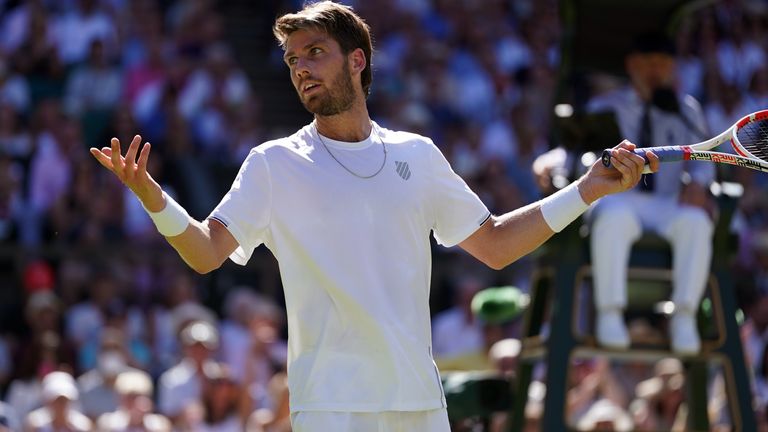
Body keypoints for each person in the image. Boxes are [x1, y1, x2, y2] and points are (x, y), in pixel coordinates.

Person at [89, 2, 655, 430]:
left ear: (356, 60)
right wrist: (150, 195)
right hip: (330, 406)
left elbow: (497, 244)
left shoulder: (418, 155)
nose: (301, 69)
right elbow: (205, 252)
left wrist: (586, 190)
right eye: (292, 60)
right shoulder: (272, 164)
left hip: (418, 403)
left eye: (315, 52)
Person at [587, 33, 715, 354]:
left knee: (697, 222)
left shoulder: (686, 109)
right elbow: (584, 157)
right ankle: (610, 314)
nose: (655, 71)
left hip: (669, 202)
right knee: (612, 216)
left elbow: (704, 159)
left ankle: (684, 317)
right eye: (648, 63)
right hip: (620, 197)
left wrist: (699, 183)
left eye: (663, 63)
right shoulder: (604, 106)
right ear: (632, 65)